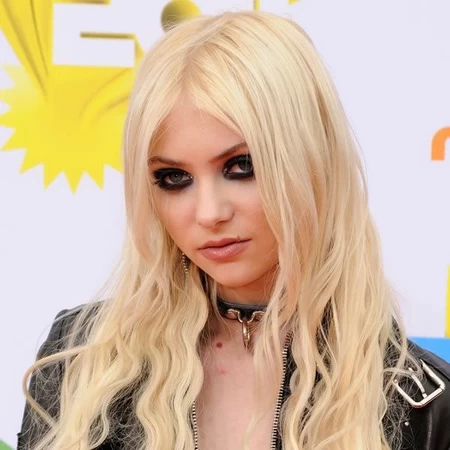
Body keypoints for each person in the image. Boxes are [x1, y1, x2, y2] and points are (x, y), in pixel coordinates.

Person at [17, 10, 450, 450]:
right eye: (174, 178)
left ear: (312, 161)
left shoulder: (425, 406)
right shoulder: (81, 363)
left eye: (242, 166)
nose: (209, 213)